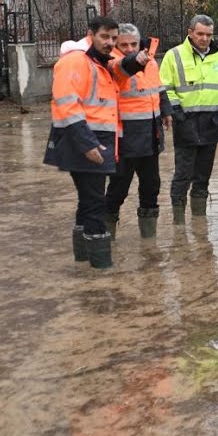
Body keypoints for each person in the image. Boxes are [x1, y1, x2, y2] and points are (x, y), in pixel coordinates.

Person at [43, 15, 151, 269]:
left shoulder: (100, 62)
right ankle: (102, 270)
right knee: (95, 203)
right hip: (83, 141)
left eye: (114, 38)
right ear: (90, 34)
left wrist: (136, 62)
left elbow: (118, 70)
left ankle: (83, 261)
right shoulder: (75, 62)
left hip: (92, 140)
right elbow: (67, 105)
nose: (110, 42)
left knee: (87, 200)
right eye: (105, 37)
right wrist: (87, 144)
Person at [158, 14, 218, 225]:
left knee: (203, 175)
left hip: (211, 123)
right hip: (185, 121)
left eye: (208, 34)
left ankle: (199, 222)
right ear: (190, 33)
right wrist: (176, 113)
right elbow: (164, 88)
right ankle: (179, 224)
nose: (204, 38)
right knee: (183, 174)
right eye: (200, 34)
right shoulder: (174, 55)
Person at [104, 23, 169, 241]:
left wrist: (167, 111)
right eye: (124, 44)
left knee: (152, 187)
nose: (129, 48)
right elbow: (123, 68)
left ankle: (149, 243)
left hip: (151, 135)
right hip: (125, 140)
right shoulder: (110, 61)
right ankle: (105, 237)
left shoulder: (150, 61)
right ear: (115, 44)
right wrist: (135, 60)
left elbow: (158, 88)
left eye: (133, 44)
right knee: (118, 190)